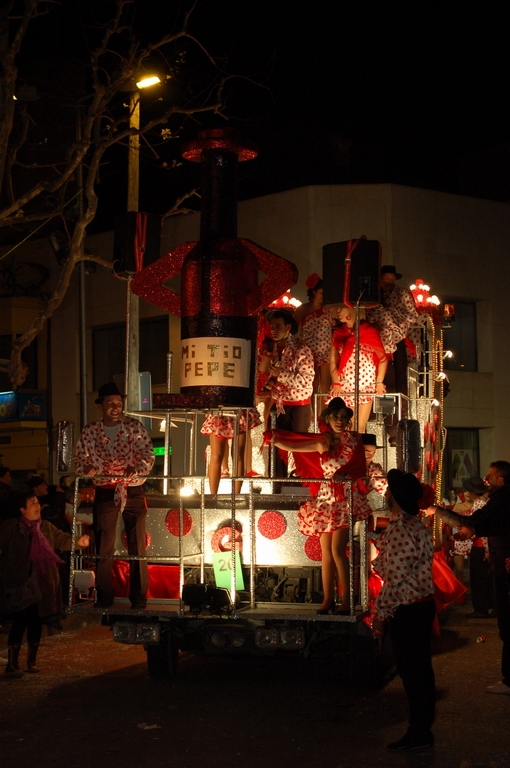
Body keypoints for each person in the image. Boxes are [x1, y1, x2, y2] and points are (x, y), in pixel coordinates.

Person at [271, 397, 370, 614]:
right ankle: (328, 599)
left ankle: (347, 600)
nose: (340, 421)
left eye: (344, 417)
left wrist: (344, 473)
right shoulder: (322, 442)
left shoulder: (353, 439)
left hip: (344, 499)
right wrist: (274, 439)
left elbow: (353, 466)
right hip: (326, 500)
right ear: (328, 418)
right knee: (326, 551)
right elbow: (293, 444)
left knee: (337, 549)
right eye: (336, 416)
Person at [426, 461, 510, 694]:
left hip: (506, 566)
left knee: (507, 623)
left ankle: (509, 679)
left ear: (501, 480)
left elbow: (475, 522)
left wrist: (439, 512)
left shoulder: (502, 501)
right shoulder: (501, 499)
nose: (486, 479)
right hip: (501, 563)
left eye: (491, 476)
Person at [74, 382, 155, 609]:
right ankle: (104, 596)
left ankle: (139, 597)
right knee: (104, 545)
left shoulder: (134, 427)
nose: (115, 407)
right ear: (100, 406)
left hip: (133, 489)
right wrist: (87, 468)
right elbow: (80, 458)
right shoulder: (90, 431)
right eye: (110, 403)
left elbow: (147, 454)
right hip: (106, 490)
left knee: (137, 544)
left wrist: (137, 469)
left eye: (119, 403)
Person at [372, 469, 435, 752]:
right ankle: (422, 728)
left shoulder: (399, 529)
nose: (385, 494)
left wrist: (380, 614)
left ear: (394, 497)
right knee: (422, 670)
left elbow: (394, 581)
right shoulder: (417, 525)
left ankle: (419, 732)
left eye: (388, 491)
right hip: (422, 606)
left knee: (413, 674)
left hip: (408, 610)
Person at [0, 491, 89, 678]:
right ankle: (12, 664)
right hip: (19, 584)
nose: (37, 505)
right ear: (22, 509)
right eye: (32, 502)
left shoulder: (46, 527)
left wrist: (79, 542)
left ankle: (31, 661)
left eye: (37, 502)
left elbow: (63, 539)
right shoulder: (10, 528)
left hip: (42, 584)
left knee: (35, 622)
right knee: (19, 621)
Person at [367, 265, 423, 444]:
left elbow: (412, 315)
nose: (390, 281)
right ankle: (386, 424)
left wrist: (392, 319)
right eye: (386, 278)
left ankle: (396, 427)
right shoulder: (372, 295)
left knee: (399, 384)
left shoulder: (403, 294)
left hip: (397, 341)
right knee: (384, 384)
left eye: (392, 278)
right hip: (376, 343)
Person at [259, 308, 314, 480]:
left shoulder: (301, 349)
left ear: (288, 326)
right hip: (278, 406)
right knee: (276, 451)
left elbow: (306, 380)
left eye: (278, 326)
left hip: (298, 407)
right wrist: (267, 389)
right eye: (272, 326)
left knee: (300, 449)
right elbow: (266, 373)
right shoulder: (273, 350)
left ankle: (302, 487)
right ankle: (277, 487)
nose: (274, 329)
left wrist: (280, 375)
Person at [329, 305, 387, 433]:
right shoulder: (339, 333)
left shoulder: (367, 330)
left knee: (360, 425)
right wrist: (336, 382)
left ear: (351, 310)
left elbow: (382, 359)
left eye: (341, 308)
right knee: (346, 424)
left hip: (365, 384)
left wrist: (379, 382)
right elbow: (333, 360)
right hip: (345, 384)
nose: (338, 311)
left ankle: (357, 452)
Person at [201, 408, 262, 494]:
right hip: (219, 410)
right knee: (216, 456)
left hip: (239, 408)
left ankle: (236, 495)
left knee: (238, 455)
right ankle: (213, 496)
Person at [293, 273, 334, 401]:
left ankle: (324, 415)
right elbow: (294, 330)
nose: (323, 296)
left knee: (325, 385)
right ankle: (313, 416)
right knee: (312, 384)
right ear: (314, 292)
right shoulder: (303, 309)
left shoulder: (329, 309)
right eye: (321, 292)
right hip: (309, 352)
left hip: (326, 352)